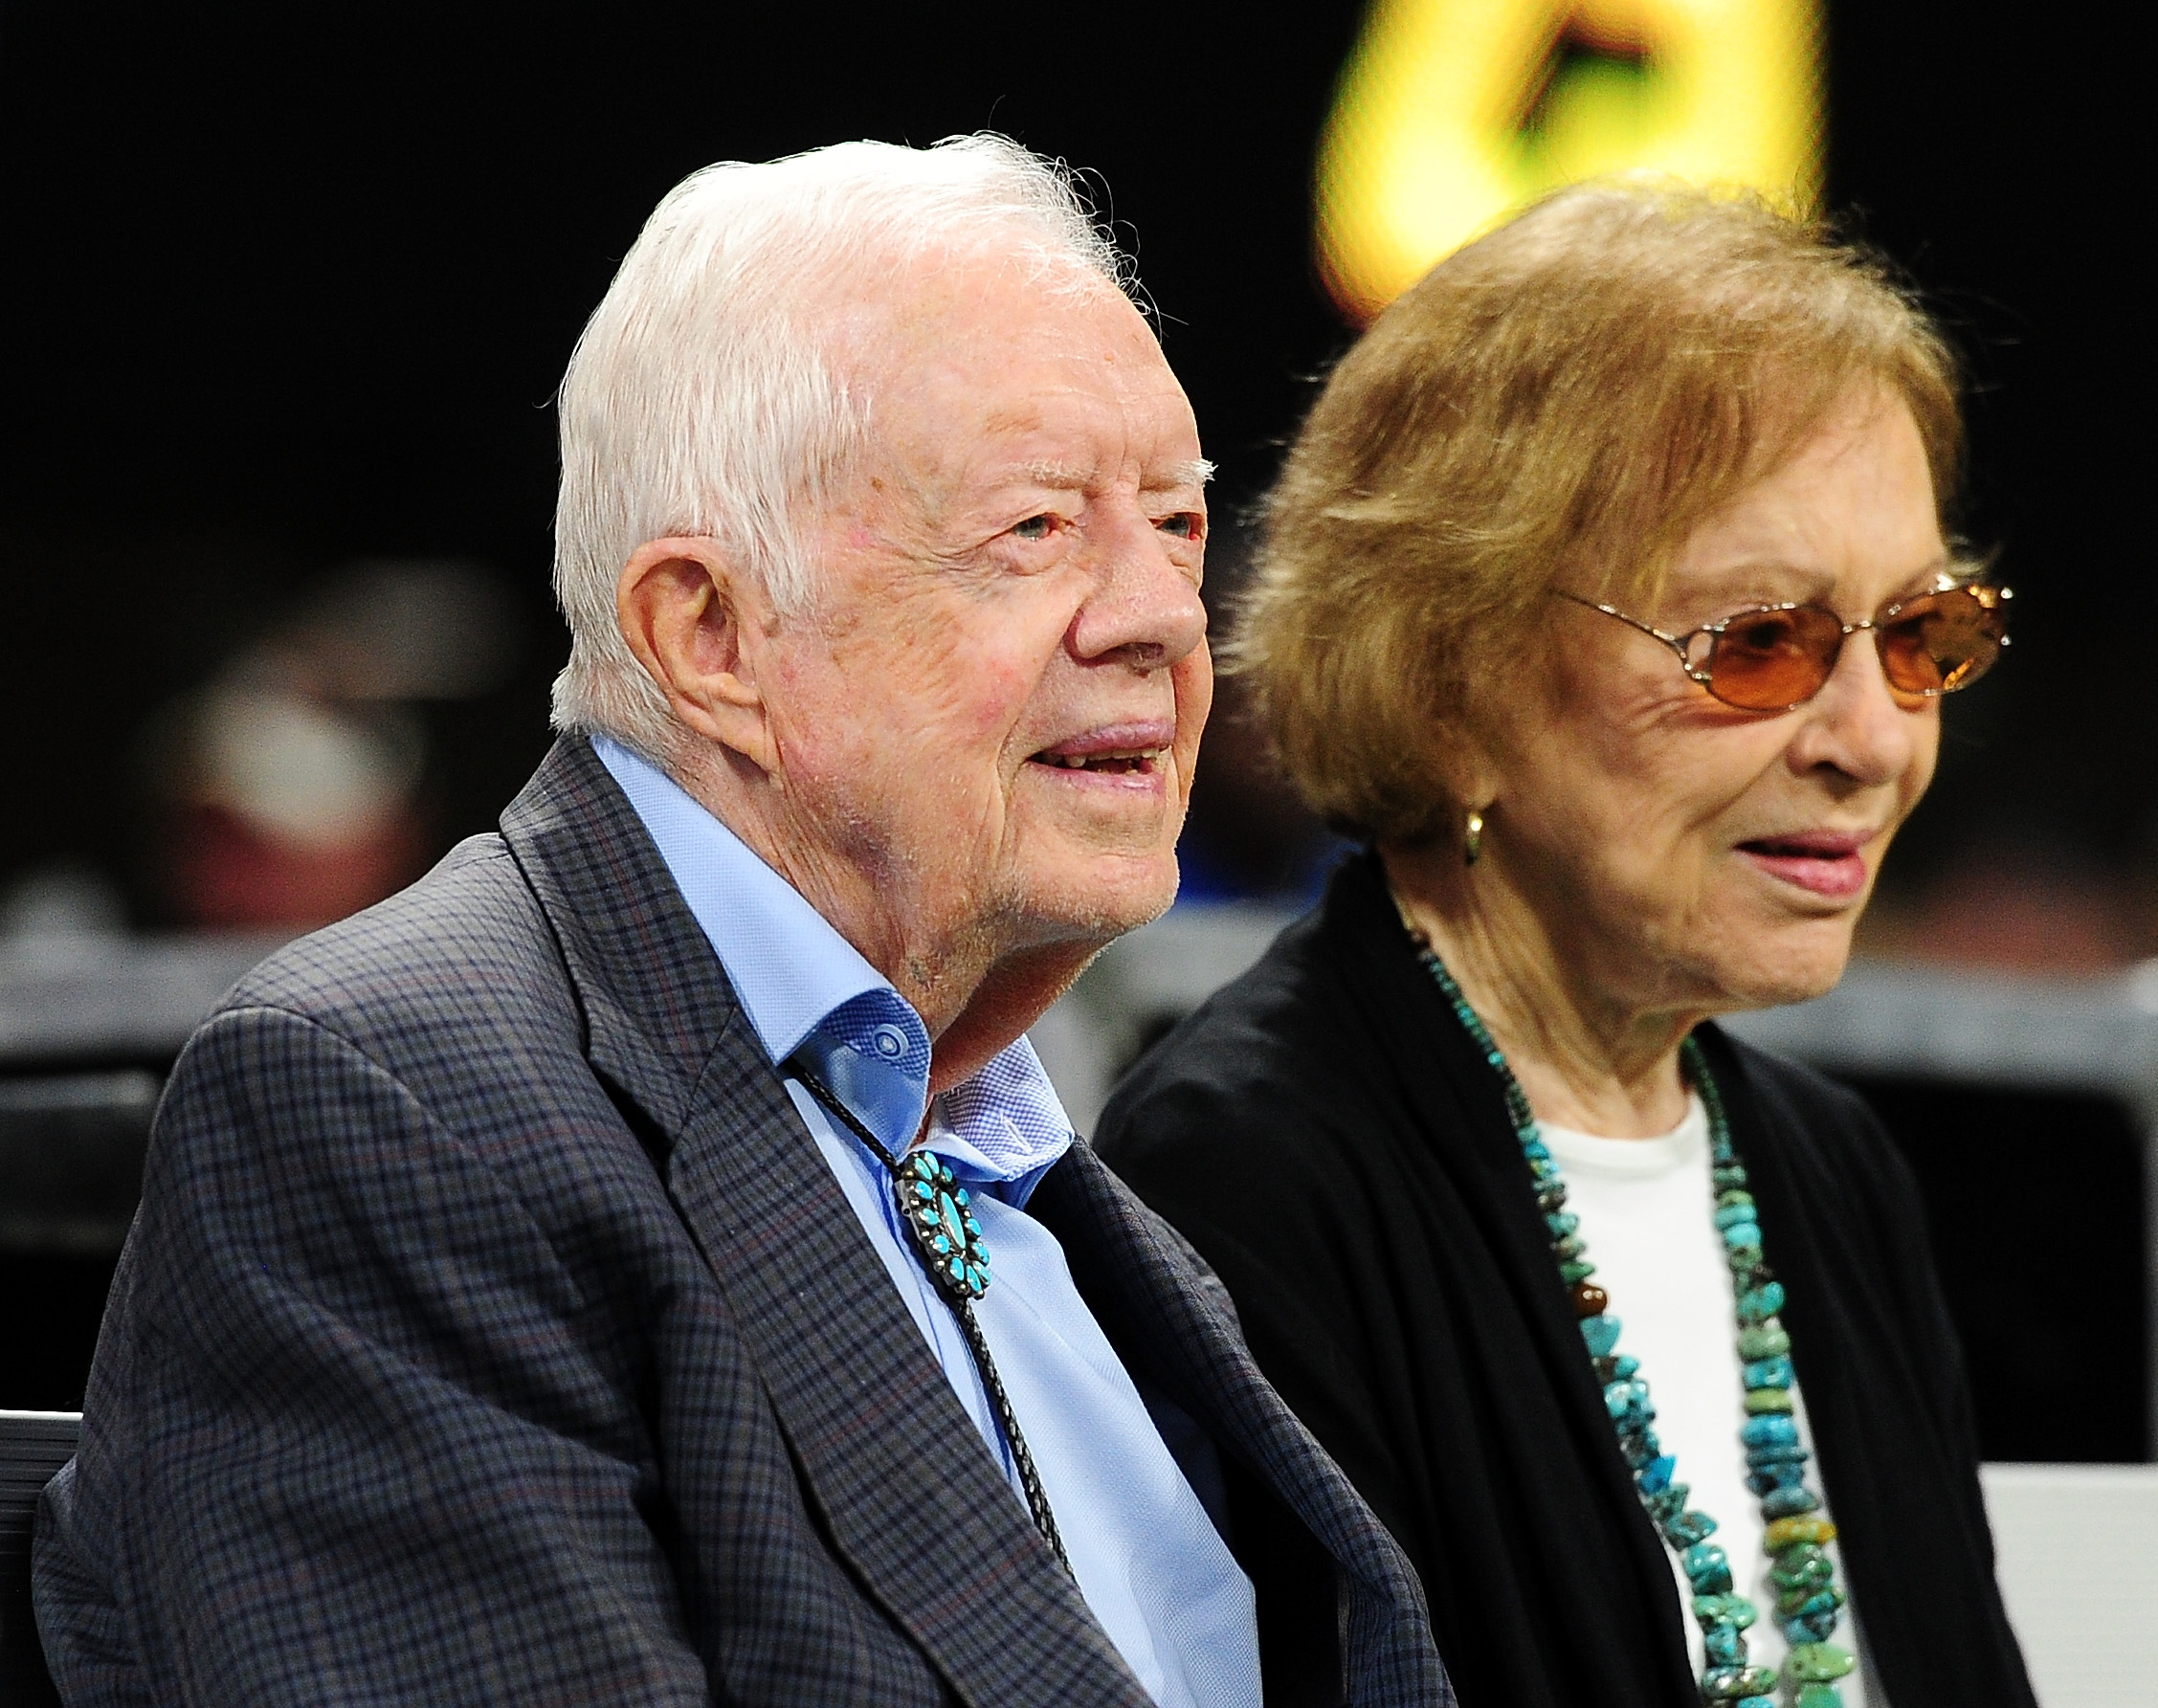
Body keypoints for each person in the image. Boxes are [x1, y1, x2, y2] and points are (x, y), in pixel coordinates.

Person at [34, 137, 1451, 1708]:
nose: (1162, 624)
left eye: (1177, 526)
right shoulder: (387, 1113)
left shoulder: (1001, 1146)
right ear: (708, 633)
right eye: (1038, 530)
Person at [1096, 182, 2036, 1708]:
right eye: (1759, 643)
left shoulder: (1828, 1171)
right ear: (1453, 686)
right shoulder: (1242, 1183)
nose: (1873, 738)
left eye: (1923, 636)